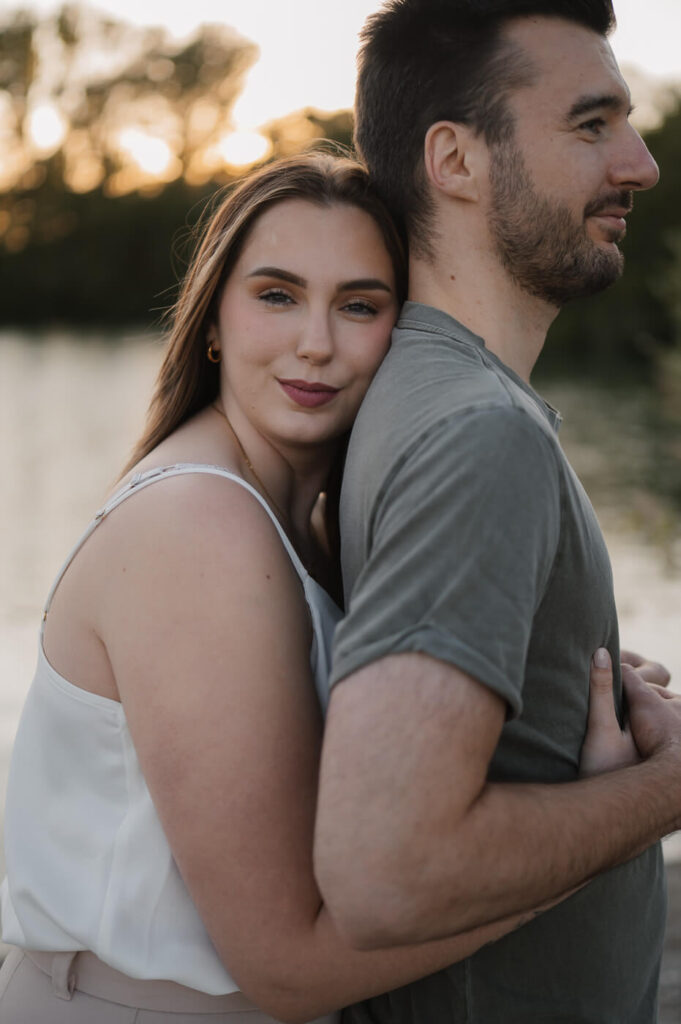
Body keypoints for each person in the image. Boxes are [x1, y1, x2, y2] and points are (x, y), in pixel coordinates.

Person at [0, 152, 634, 1023]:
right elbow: (288, 966)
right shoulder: (199, 527)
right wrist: (613, 821)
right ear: (213, 320)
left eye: (359, 305)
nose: (315, 343)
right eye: (276, 295)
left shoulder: (297, 523)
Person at [312, 4, 681, 1023]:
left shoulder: (429, 395)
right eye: (592, 124)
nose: (641, 164)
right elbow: (386, 873)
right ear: (456, 160)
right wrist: (667, 784)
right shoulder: (481, 434)